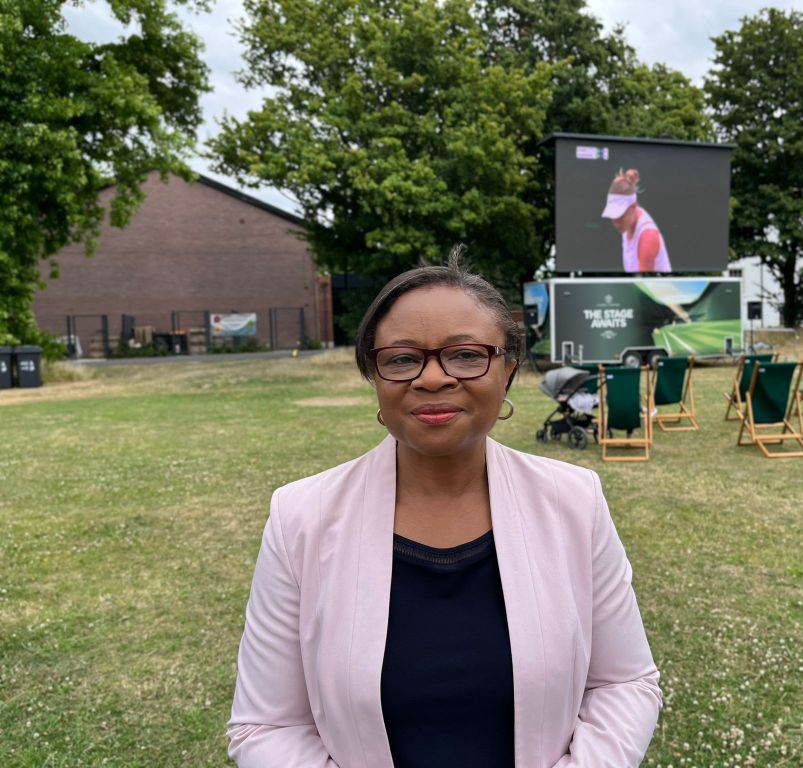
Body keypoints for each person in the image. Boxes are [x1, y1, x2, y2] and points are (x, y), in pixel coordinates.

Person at [227, 248, 662, 767]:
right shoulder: (300, 518)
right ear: (375, 377)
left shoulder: (574, 501)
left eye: (466, 354)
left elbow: (624, 682)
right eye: (402, 358)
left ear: (507, 371)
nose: (432, 378)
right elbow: (266, 725)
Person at [601, 168, 671, 273]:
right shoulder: (627, 222)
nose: (616, 222)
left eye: (620, 215)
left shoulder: (647, 237)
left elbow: (644, 282)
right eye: (613, 215)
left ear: (633, 206)